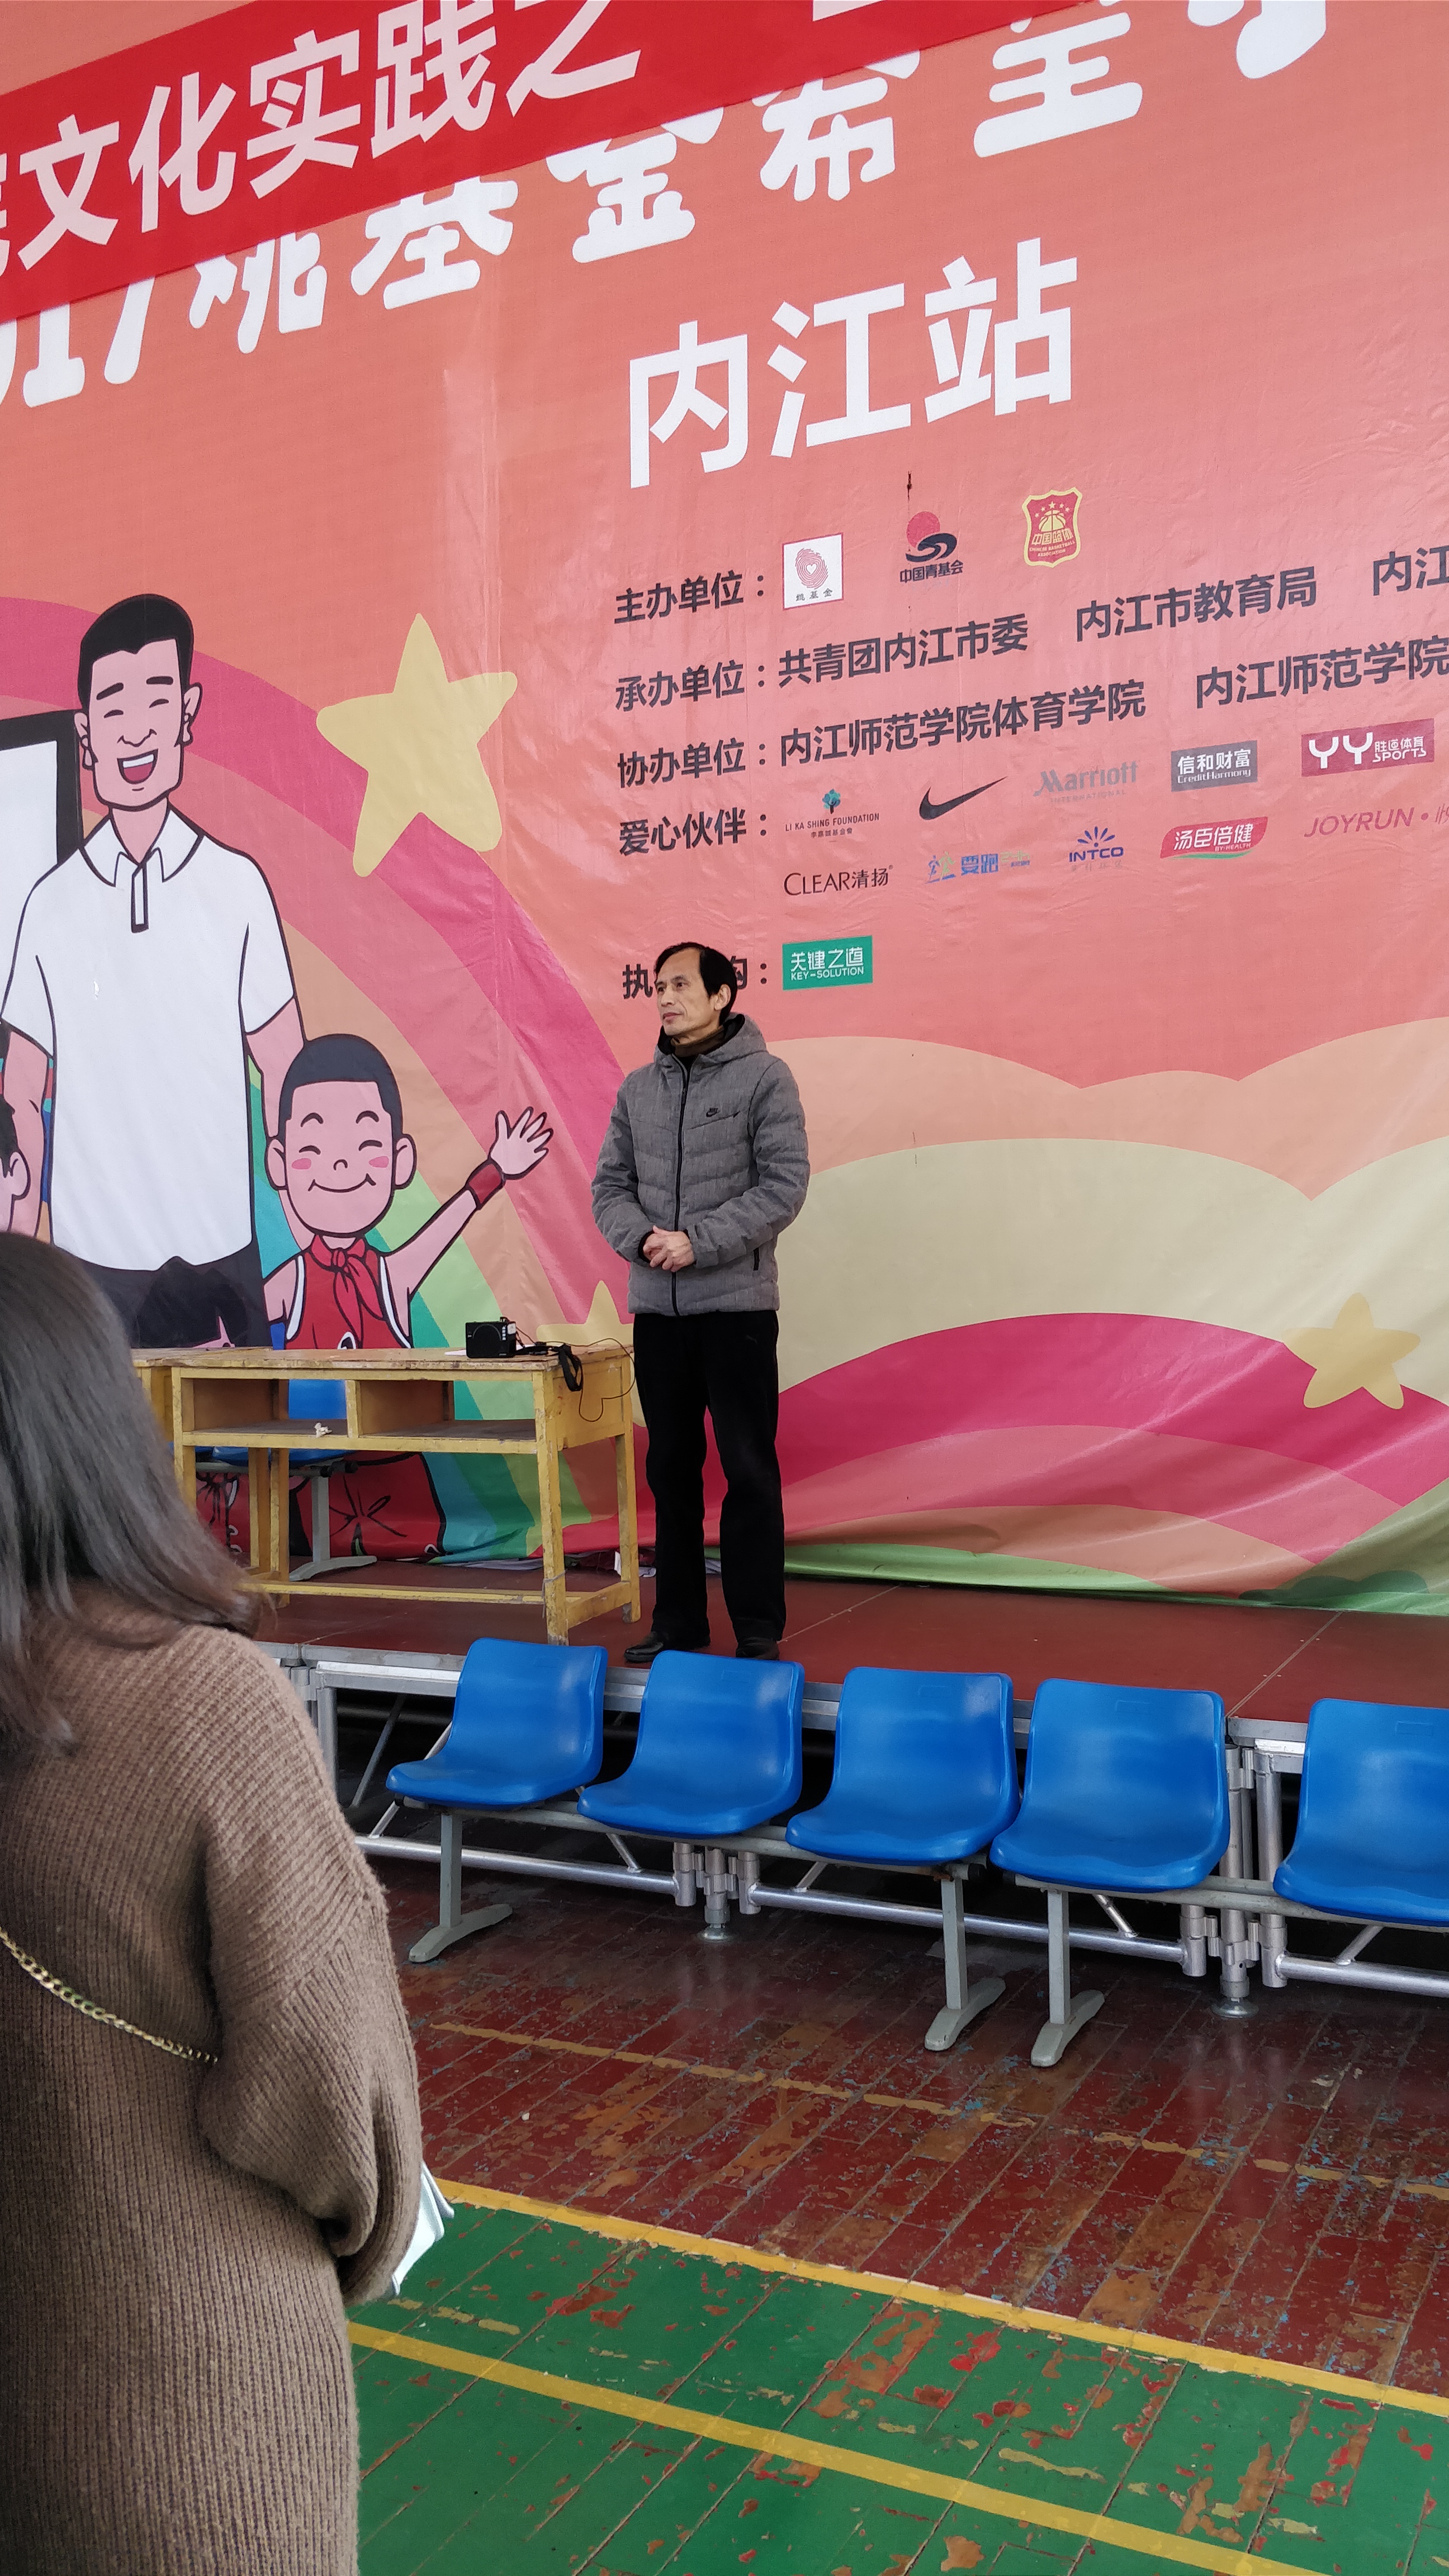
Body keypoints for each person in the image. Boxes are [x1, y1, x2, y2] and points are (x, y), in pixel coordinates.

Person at [0, 1234, 421, 2575]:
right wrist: (366, 2237)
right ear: (94, 1417)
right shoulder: (201, 1705)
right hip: (188, 2416)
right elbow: (341, 2109)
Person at [0, 593, 303, 1343]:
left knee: (242, 1418)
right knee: (96, 1422)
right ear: (86, 733)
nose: (135, 728)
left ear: (187, 715)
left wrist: (306, 1239)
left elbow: (284, 1066)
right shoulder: (51, 905)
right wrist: (17, 1244)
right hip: (90, 1264)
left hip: (218, 1249)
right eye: (113, 706)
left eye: (157, 700)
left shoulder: (236, 886)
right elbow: (21, 1091)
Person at [593, 941, 809, 1662]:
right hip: (659, 1316)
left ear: (722, 995)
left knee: (748, 1468)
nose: (665, 997)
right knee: (670, 1473)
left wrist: (698, 1243)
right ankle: (679, 1624)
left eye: (681, 985)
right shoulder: (637, 1090)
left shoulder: (765, 1078)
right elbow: (609, 1187)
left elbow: (784, 1185)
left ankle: (757, 1629)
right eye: (659, 987)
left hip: (737, 1311)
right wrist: (642, 1240)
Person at [262, 1030, 551, 1347]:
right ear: (278, 1162)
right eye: (313, 1149)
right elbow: (240, 1322)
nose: (341, 1164)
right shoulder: (291, 1283)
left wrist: (496, 1170)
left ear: (401, 1160)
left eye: (367, 1145)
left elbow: (443, 1229)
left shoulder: (390, 1278)